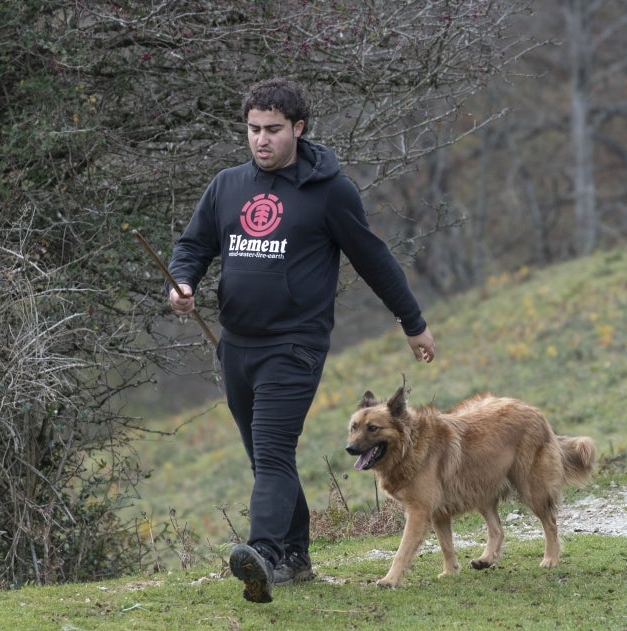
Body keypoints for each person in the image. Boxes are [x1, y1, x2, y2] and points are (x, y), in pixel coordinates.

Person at [167, 78, 435, 604]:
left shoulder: (329, 190)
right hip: (236, 344)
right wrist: (182, 283)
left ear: (298, 128)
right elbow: (193, 246)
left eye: (272, 130)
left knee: (271, 449)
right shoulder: (226, 186)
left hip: (295, 345)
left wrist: (413, 321)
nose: (260, 140)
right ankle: (295, 557)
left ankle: (262, 554)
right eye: (252, 130)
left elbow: (372, 257)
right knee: (265, 456)